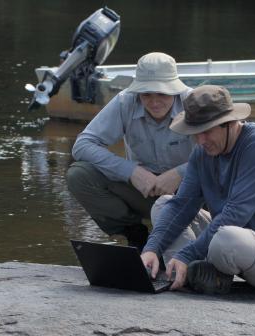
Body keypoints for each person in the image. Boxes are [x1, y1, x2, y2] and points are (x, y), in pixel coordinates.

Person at [141, 85, 255, 294]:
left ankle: (193, 266)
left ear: (230, 123)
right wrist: (152, 248)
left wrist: (187, 253)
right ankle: (180, 273)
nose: (200, 140)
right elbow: (182, 205)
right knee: (162, 205)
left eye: (206, 131)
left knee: (226, 239)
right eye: (195, 133)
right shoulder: (202, 152)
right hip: (240, 245)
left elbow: (236, 214)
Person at [67, 52, 195, 250]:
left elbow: (226, 153)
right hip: (146, 190)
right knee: (79, 175)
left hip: (195, 193)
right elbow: (83, 144)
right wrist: (131, 171)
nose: (154, 102)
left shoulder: (194, 102)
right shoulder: (124, 101)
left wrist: (180, 173)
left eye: (162, 94)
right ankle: (135, 234)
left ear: (175, 90)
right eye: (146, 94)